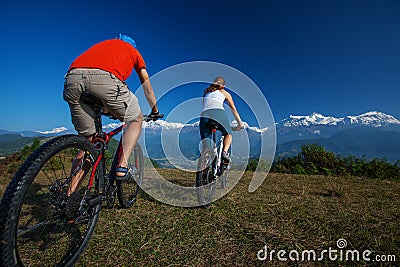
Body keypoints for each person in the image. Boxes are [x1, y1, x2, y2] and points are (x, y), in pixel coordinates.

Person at [63, 34, 159, 196]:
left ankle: (70, 193)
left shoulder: (104, 45)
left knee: (88, 142)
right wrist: (155, 110)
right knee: (136, 119)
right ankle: (122, 167)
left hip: (72, 79)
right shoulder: (134, 52)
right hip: (105, 80)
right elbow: (146, 86)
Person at [199, 76, 244, 162]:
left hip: (204, 115)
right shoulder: (224, 93)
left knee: (206, 148)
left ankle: (203, 172)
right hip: (218, 113)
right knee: (228, 133)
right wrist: (240, 124)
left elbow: (204, 105)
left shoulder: (206, 93)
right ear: (223, 86)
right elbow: (234, 110)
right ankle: (224, 152)